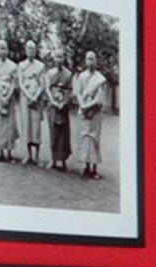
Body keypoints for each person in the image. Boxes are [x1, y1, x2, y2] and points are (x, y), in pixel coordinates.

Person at [74, 51, 106, 179]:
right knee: (85, 139)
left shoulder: (100, 79)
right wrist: (83, 106)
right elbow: (79, 94)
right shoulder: (81, 77)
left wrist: (89, 107)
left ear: (96, 61)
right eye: (88, 59)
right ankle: (86, 166)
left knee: (94, 139)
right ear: (85, 61)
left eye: (92, 59)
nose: (90, 62)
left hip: (94, 113)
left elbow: (99, 99)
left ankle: (94, 168)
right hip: (84, 113)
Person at [0, 38, 19, 163]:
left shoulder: (12, 65)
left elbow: (13, 82)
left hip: (9, 98)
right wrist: (0, 96)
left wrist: (7, 96)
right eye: (1, 48)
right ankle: (1, 152)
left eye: (5, 48)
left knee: (9, 125)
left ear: (8, 50)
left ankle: (10, 153)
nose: (3, 51)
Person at [17, 40, 47, 165]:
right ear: (25, 50)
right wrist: (29, 95)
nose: (31, 51)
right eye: (29, 49)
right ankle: (29, 155)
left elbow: (42, 83)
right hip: (25, 98)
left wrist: (35, 96)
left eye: (33, 49)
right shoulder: (21, 65)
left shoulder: (40, 66)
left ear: (36, 51)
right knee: (27, 126)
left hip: (36, 99)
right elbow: (20, 82)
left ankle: (37, 156)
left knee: (36, 128)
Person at [44, 52, 73, 171]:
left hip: (63, 107)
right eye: (56, 56)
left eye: (60, 57)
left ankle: (64, 160)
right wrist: (53, 102)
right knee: (53, 133)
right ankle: (54, 159)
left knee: (63, 134)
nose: (58, 59)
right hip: (53, 106)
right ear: (53, 58)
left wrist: (63, 102)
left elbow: (70, 91)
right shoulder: (50, 73)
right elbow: (47, 88)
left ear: (64, 58)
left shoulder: (68, 74)